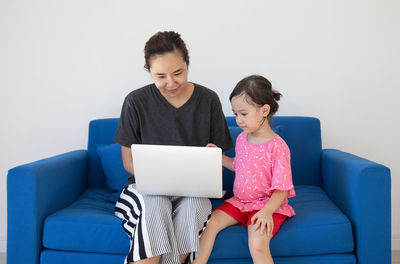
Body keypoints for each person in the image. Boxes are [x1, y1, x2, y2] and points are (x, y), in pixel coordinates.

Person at [113, 31, 233, 264]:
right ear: (149, 71)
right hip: (145, 189)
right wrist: (162, 180)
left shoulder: (208, 99)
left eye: (178, 73)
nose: (170, 83)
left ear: (188, 64)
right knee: (156, 205)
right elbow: (128, 162)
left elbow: (219, 158)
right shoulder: (135, 101)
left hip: (194, 192)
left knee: (194, 207)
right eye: (160, 76)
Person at [193, 75, 295, 264]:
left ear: (264, 110)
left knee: (257, 244)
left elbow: (282, 188)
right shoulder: (241, 138)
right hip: (240, 202)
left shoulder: (278, 146)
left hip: (267, 205)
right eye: (235, 113)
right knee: (209, 224)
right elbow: (238, 167)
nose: (238, 120)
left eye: (244, 113)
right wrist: (218, 157)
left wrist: (266, 211)